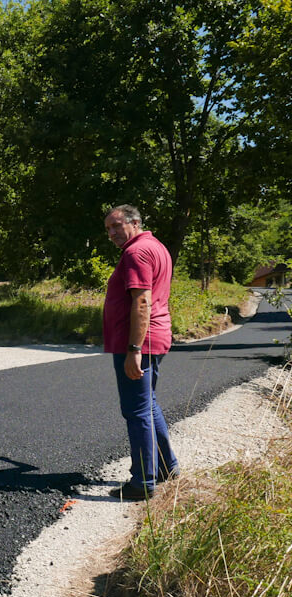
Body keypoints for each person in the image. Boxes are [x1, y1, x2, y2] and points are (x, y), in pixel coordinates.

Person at [102, 205, 179, 500]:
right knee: (148, 405)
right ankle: (166, 467)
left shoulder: (137, 252)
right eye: (108, 229)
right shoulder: (155, 246)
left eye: (116, 226)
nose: (111, 233)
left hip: (139, 343)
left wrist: (134, 349)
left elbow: (142, 301)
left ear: (134, 223)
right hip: (151, 338)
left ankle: (143, 483)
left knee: (136, 410)